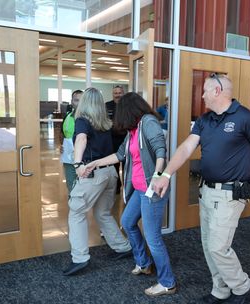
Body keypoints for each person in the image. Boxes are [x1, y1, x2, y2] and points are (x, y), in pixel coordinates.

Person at [153, 73, 250, 304]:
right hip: (206, 191)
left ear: (217, 91)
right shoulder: (204, 120)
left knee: (218, 247)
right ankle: (220, 290)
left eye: (205, 90)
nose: (202, 95)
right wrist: (166, 174)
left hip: (230, 193)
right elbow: (186, 148)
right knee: (209, 246)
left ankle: (242, 288)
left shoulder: (246, 118)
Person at [85, 92, 176, 296]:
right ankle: (144, 263)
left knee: (153, 238)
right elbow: (120, 155)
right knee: (127, 222)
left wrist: (158, 175)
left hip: (152, 189)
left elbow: (161, 151)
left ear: (128, 111)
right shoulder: (134, 130)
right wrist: (94, 164)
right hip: (139, 189)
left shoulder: (149, 123)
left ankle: (167, 282)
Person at [62, 88, 132, 276]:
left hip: (94, 174)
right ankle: (123, 247)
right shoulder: (106, 123)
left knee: (76, 212)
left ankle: (79, 258)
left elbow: (81, 139)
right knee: (102, 213)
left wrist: (77, 163)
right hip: (110, 173)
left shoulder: (83, 121)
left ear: (83, 102)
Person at [59, 89, 83, 194]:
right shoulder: (67, 116)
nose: (79, 103)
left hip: (84, 158)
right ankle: (73, 208)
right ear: (72, 101)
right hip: (68, 158)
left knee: (83, 186)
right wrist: (61, 145)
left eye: (81, 100)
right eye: (76, 100)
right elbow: (62, 133)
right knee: (71, 185)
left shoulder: (90, 118)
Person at [106, 85, 126, 192]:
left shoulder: (128, 106)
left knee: (127, 166)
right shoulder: (107, 106)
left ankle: (127, 188)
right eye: (115, 93)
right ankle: (116, 188)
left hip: (126, 140)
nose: (118, 95)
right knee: (114, 166)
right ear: (112, 94)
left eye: (120, 93)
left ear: (123, 93)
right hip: (111, 141)